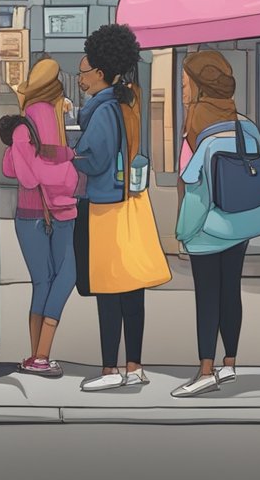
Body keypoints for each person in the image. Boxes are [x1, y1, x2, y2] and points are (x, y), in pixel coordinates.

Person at [72, 24, 170, 392]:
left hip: (106, 208)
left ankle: (110, 369)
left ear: (99, 72)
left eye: (83, 72)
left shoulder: (101, 111)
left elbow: (94, 160)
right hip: (132, 202)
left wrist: (71, 155)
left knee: (109, 290)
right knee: (133, 290)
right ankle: (134, 366)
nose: (80, 80)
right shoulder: (129, 102)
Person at [171, 52, 260, 397]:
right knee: (230, 291)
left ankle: (204, 370)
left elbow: (195, 196)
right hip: (240, 224)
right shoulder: (245, 126)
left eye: (185, 84)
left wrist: (184, 233)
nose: (182, 90)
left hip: (207, 231)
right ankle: (229, 362)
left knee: (207, 296)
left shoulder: (197, 135)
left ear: (199, 89)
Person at [1, 58, 79, 378]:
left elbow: (13, 170)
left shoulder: (30, 116)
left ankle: (37, 356)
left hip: (29, 213)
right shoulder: (43, 114)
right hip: (54, 210)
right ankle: (41, 355)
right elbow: (38, 172)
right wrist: (70, 158)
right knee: (66, 275)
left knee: (43, 281)